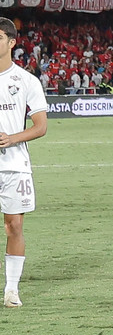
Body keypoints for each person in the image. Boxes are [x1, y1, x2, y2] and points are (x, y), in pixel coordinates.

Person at [0, 16, 50, 307]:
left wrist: (13, 138)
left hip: (14, 165)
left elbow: (41, 126)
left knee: (14, 226)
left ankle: (11, 290)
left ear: (11, 42)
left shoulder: (26, 81)